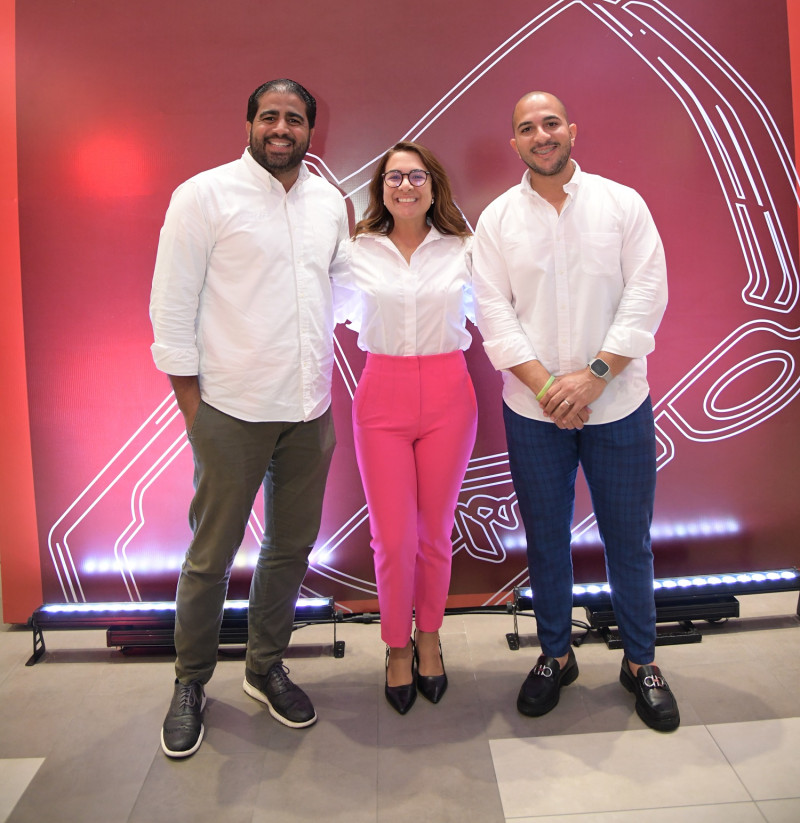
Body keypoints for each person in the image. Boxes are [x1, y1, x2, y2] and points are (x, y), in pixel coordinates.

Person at [149, 78, 349, 757]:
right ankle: (190, 681)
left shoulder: (328, 202)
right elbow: (171, 306)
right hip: (229, 408)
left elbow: (347, 283)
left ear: (310, 131)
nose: (281, 127)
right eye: (269, 115)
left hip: (309, 408)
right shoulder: (202, 196)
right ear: (249, 123)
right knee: (210, 558)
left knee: (291, 548)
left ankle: (264, 666)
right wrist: (191, 405)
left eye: (294, 118)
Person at [472, 92, 679, 732]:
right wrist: (547, 389)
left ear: (571, 130)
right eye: (527, 127)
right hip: (534, 414)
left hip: (617, 404)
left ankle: (640, 662)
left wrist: (591, 379)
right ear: (514, 142)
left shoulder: (622, 204)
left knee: (628, 541)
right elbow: (493, 311)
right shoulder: (498, 219)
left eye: (551, 123)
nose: (541, 134)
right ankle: (555, 655)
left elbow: (646, 295)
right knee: (546, 540)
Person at [332, 142, 477, 714]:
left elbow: (501, 312)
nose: (406, 185)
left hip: (449, 394)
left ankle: (430, 638)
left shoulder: (465, 250)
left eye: (417, 175)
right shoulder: (355, 252)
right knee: (393, 539)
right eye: (394, 176)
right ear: (380, 189)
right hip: (382, 396)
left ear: (434, 185)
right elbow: (314, 306)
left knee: (435, 533)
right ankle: (396, 645)